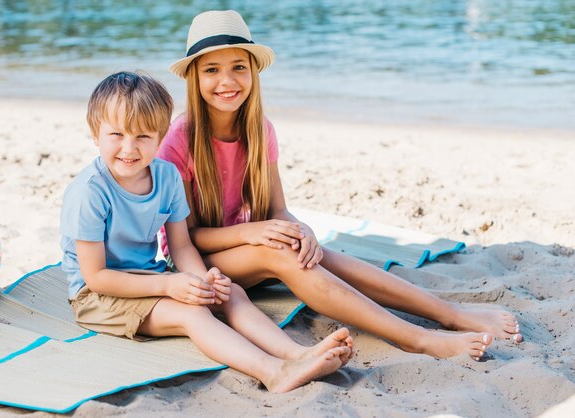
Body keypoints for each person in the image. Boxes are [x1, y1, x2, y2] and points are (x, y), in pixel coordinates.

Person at [158, 10, 523, 362]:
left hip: (249, 246)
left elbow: (278, 209)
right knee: (280, 252)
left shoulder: (259, 129)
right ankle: (417, 339)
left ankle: (449, 312)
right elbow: (186, 239)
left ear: (253, 71)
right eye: (212, 70)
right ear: (193, 78)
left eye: (239, 67)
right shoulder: (180, 140)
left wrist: (302, 230)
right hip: (197, 265)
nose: (227, 81)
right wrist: (258, 232)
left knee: (313, 253)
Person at [59, 71, 353, 393]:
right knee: (193, 315)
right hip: (100, 296)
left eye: (143, 136)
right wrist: (170, 284)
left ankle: (297, 354)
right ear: (95, 134)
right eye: (116, 134)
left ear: (160, 137)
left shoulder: (166, 176)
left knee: (230, 294)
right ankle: (274, 372)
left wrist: (203, 280)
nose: (129, 148)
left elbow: (182, 246)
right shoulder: (89, 192)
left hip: (148, 276)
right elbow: (96, 277)